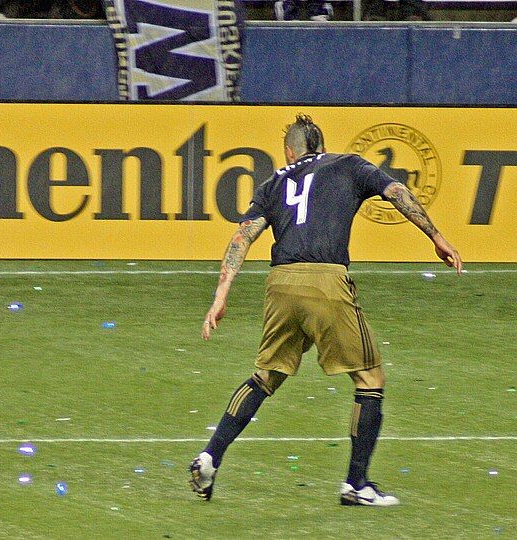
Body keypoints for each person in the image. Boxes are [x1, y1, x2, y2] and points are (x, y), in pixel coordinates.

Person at [188, 114, 462, 506]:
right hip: (326, 281)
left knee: (266, 376)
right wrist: (435, 236)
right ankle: (356, 484)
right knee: (370, 379)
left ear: (289, 151)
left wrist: (220, 296)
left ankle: (209, 457)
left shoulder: (273, 183)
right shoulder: (348, 165)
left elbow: (242, 236)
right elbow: (396, 191)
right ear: (320, 144)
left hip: (280, 284)